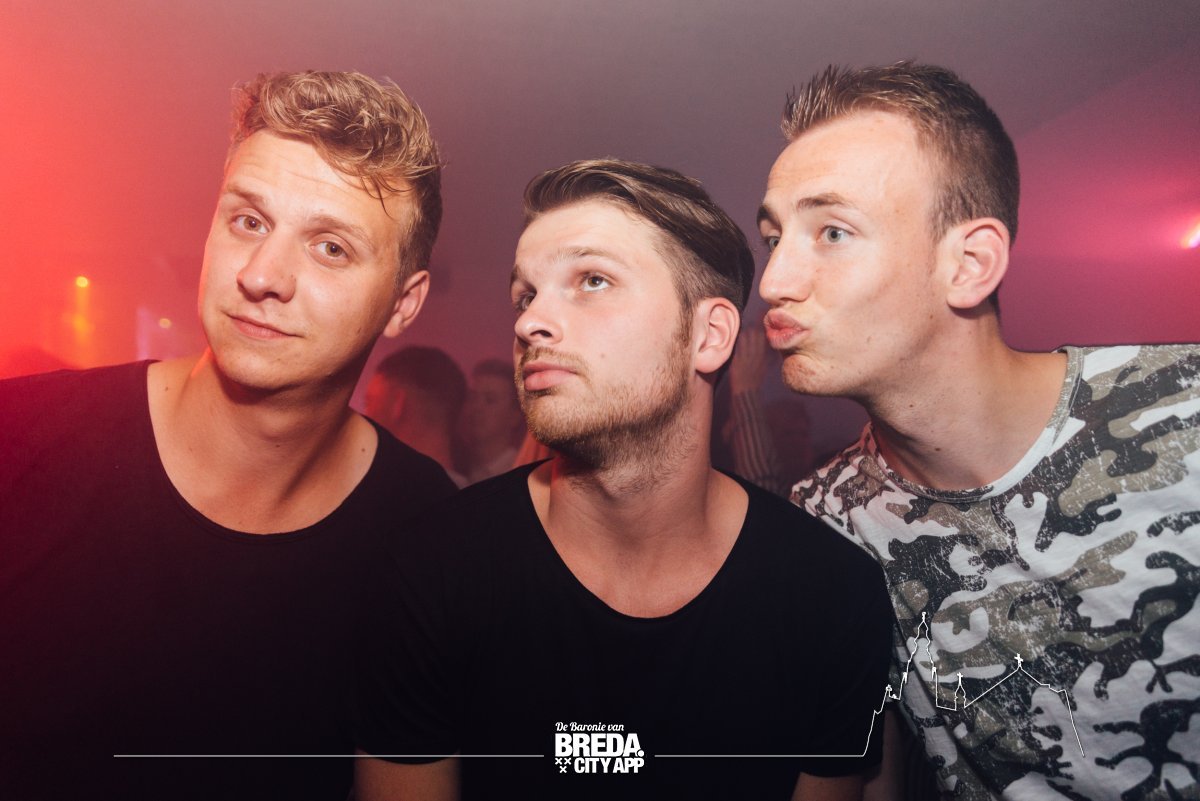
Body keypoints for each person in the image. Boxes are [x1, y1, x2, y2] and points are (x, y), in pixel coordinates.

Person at [355, 159, 894, 801]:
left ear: (709, 336)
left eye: (592, 280)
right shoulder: (433, 570)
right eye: (526, 295)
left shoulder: (831, 596)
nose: (529, 322)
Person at [0, 70, 457, 801]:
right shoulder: (19, 435)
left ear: (403, 304)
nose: (263, 275)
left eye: (330, 248)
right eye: (249, 221)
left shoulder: (427, 528)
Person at [757, 62, 1200, 800]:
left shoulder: (1182, 412)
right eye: (774, 238)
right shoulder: (829, 519)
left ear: (969, 264)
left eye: (832, 231)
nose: (773, 281)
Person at [365, 345, 469, 485]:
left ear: (397, 404)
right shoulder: (471, 494)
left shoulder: (386, 490)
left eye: (370, 402)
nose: (365, 416)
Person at [457, 357, 526, 483]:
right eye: (472, 396)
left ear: (514, 416)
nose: (477, 407)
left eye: (490, 400)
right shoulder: (457, 465)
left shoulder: (520, 475)